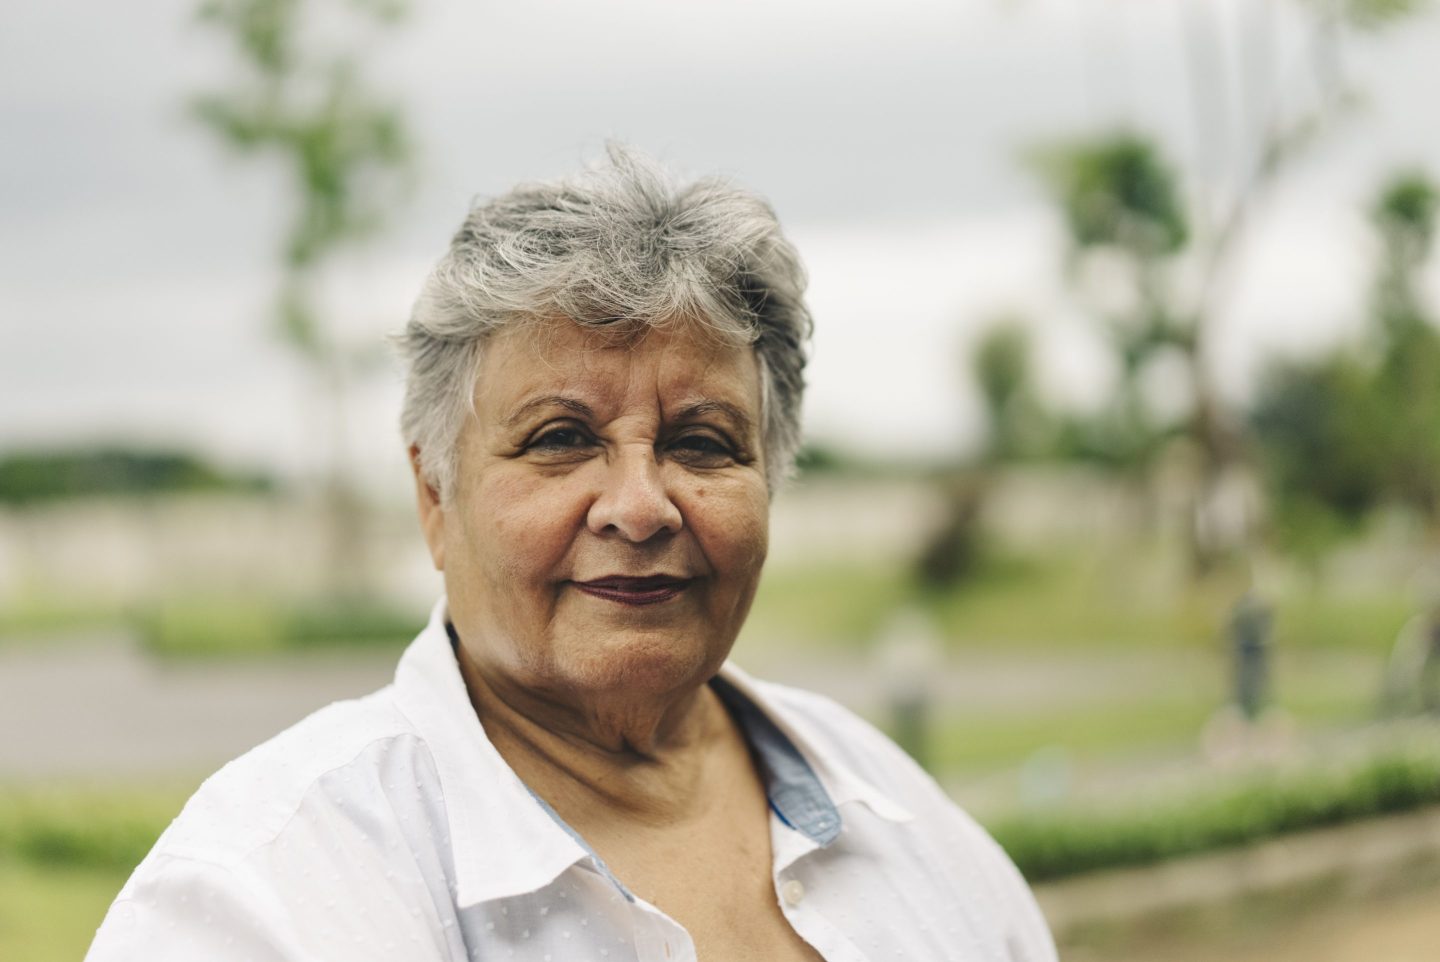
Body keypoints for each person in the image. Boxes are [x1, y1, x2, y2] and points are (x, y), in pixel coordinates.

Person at [87, 148, 1057, 962]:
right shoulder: (268, 895)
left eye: (703, 442)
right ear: (435, 491)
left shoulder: (897, 818)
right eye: (560, 437)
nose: (640, 507)